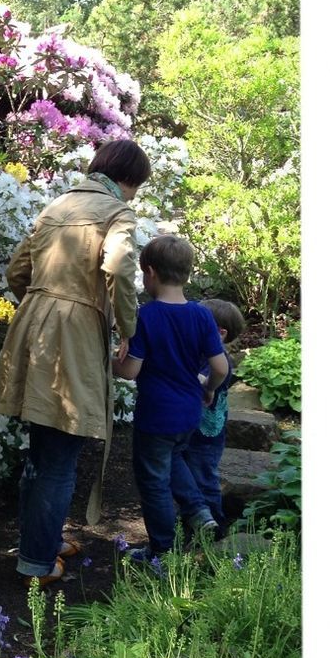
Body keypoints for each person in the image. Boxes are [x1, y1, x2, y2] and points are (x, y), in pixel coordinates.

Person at [0, 138, 152, 587]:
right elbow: (119, 268)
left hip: (31, 329)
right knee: (60, 454)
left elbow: (16, 273)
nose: (135, 195)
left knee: (42, 450)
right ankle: (37, 562)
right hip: (74, 336)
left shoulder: (56, 206)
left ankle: (38, 542)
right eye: (137, 187)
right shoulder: (117, 211)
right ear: (128, 180)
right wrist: (127, 329)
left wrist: (43, 307)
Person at [112, 235, 228, 559]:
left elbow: (130, 371)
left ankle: (162, 552)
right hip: (189, 412)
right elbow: (219, 366)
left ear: (149, 272)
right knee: (175, 458)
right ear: (187, 273)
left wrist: (104, 359)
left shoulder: (146, 316)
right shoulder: (202, 315)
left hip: (156, 416)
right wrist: (209, 388)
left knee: (154, 483)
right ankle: (199, 512)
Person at [174, 298, 246, 538]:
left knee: (204, 477)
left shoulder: (219, 361)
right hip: (192, 427)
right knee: (187, 473)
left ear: (220, 334)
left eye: (198, 325)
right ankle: (193, 522)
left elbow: (202, 383)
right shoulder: (202, 354)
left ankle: (215, 525)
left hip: (207, 434)